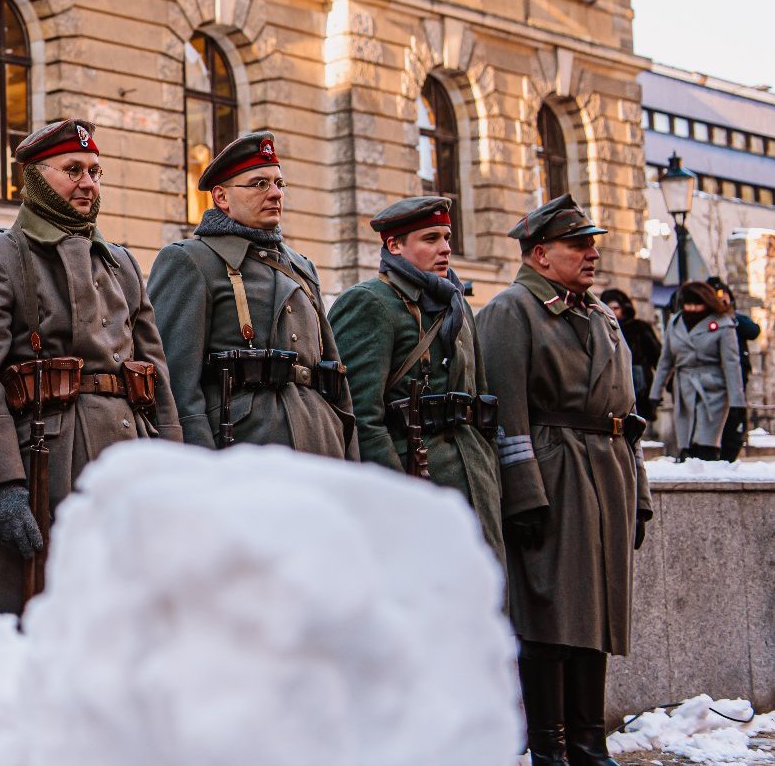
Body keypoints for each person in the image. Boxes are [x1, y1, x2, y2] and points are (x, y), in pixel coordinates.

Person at [0, 119, 181, 613]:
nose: (87, 183)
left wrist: (177, 469)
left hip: (127, 457)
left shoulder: (120, 262)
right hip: (44, 464)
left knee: (124, 611)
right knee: (34, 613)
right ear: (33, 177)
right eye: (72, 169)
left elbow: (155, 375)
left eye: (95, 172)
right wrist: (4, 483)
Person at [475, 194, 651, 766]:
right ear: (540, 254)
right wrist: (524, 492)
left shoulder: (598, 315)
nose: (592, 252)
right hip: (556, 473)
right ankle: (551, 747)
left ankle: (588, 740)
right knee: (551, 615)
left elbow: (626, 415)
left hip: (605, 475)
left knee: (594, 613)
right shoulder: (513, 311)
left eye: (592, 242)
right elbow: (507, 410)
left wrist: (639, 494)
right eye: (579, 244)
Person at [146, 131, 356, 457]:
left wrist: (349, 457)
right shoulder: (191, 261)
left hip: (320, 444)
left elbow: (335, 376)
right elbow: (176, 386)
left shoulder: (302, 267)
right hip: (244, 452)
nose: (274, 194)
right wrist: (199, 469)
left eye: (279, 184)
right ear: (221, 197)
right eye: (259, 184)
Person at [327, 197, 512, 557]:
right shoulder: (371, 302)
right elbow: (359, 415)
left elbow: (481, 398)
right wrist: (398, 495)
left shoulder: (457, 306)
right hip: (415, 478)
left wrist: (488, 470)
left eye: (446, 237)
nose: (445, 248)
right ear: (394, 245)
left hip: (474, 479)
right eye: (430, 239)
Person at [648, 281, 745, 462]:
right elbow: (665, 361)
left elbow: (732, 365)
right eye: (687, 304)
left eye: (696, 304)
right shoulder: (675, 323)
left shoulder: (723, 324)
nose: (692, 309)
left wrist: (737, 403)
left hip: (713, 390)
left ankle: (708, 471)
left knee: (706, 443)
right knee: (686, 443)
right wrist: (655, 395)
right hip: (684, 387)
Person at [707, 276, 759, 460]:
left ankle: (729, 455)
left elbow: (753, 331)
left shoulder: (734, 318)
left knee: (736, 419)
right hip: (713, 380)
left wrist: (729, 312)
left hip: (737, 377)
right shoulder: (705, 321)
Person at [599, 288, 662, 427]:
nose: (613, 312)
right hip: (612, 383)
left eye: (616, 308)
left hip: (638, 382)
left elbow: (657, 356)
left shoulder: (639, 327)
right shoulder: (600, 329)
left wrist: (659, 387)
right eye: (609, 308)